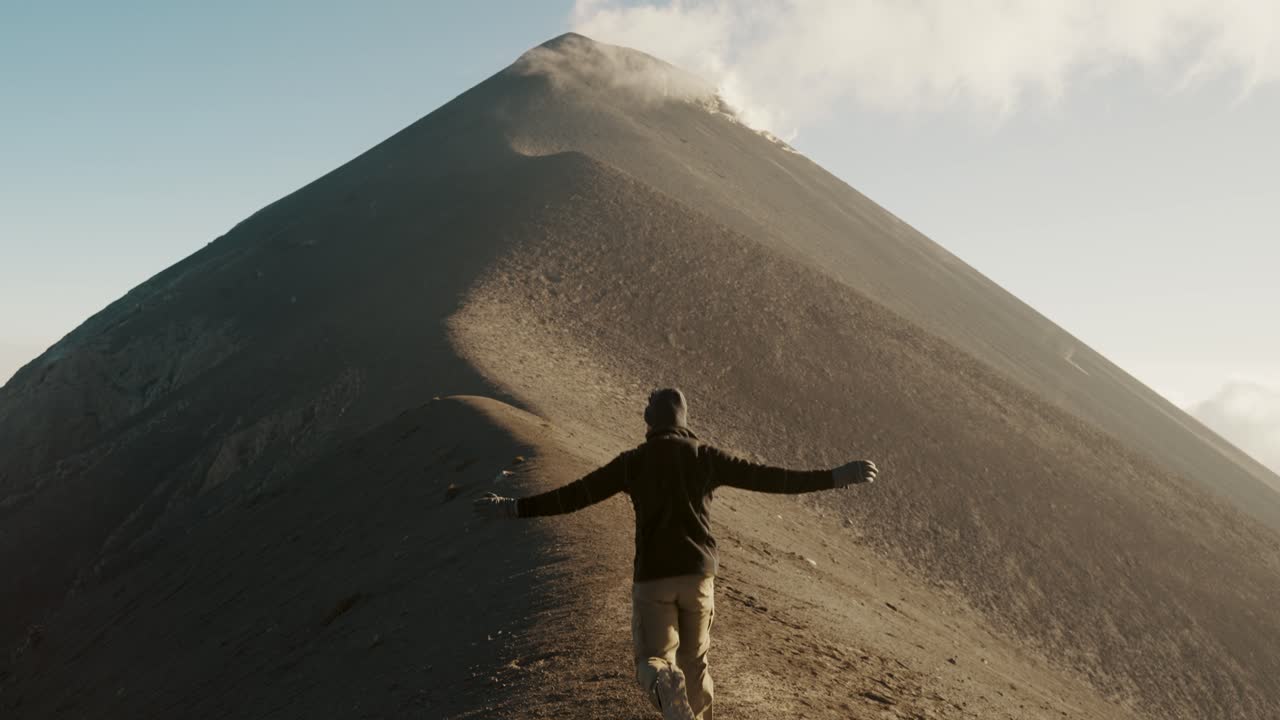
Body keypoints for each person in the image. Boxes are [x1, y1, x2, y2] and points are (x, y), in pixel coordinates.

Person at [473, 388, 879, 720]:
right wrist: (835, 478)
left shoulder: (633, 462)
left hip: (653, 579)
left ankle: (663, 685)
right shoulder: (705, 457)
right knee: (696, 660)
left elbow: (574, 496)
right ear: (683, 420)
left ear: (652, 421)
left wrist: (513, 507)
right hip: (699, 577)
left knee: (653, 660)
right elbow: (769, 478)